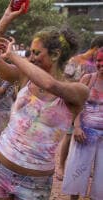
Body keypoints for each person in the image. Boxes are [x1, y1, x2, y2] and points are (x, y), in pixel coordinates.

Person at [0, 3, 89, 200]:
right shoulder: (24, 76)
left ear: (56, 55)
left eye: (36, 53)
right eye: (29, 52)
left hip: (35, 181)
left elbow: (50, 84)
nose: (30, 58)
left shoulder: (78, 90)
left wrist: (13, 56)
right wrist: (7, 17)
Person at [57, 36, 103, 180]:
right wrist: (78, 86)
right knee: (70, 134)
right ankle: (61, 166)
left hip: (90, 106)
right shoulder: (76, 60)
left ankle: (87, 168)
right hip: (75, 102)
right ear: (96, 48)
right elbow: (64, 79)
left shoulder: (96, 63)